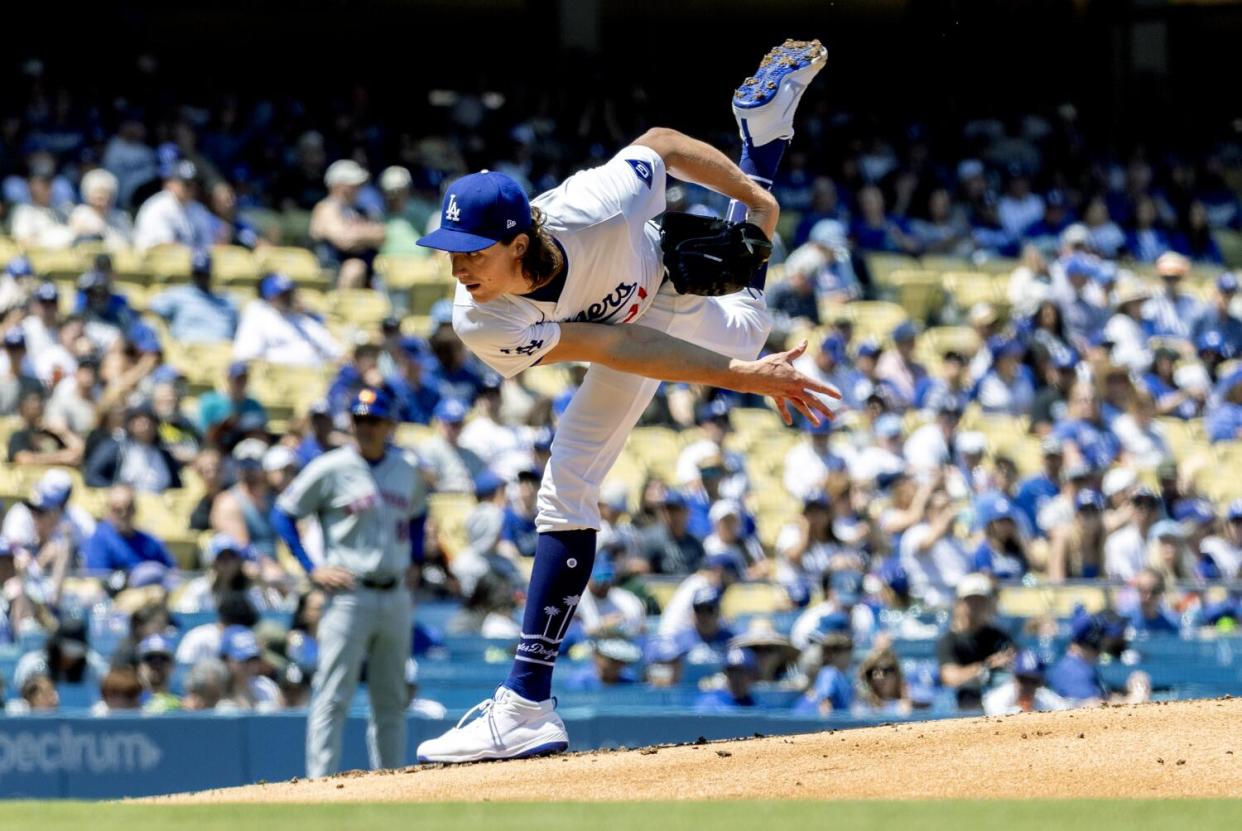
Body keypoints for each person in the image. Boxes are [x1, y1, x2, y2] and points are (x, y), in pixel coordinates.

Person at [413, 42, 833, 763]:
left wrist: (757, 196)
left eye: (472, 251)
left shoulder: (593, 206)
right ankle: (525, 704)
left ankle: (760, 139)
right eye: (450, 249)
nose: (458, 266)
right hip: (628, 326)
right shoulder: (482, 317)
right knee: (568, 478)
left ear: (518, 242)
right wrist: (744, 376)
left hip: (659, 271)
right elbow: (613, 349)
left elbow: (663, 145)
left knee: (750, 321)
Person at [271, 387, 425, 778]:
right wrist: (311, 567)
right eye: (359, 419)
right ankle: (319, 785)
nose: (365, 427)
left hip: (394, 594)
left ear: (389, 424)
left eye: (373, 420)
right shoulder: (330, 466)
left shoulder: (406, 468)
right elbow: (283, 514)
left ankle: (391, 786)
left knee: (391, 699)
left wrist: (417, 559)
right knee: (332, 695)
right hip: (348, 593)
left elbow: (419, 514)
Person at [935, 573, 1014, 711]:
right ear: (959, 603)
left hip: (1000, 698)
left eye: (980, 600)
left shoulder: (998, 637)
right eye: (971, 600)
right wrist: (986, 666)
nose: (975, 606)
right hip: (964, 702)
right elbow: (950, 677)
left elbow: (1014, 662)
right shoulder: (949, 641)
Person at [233, 272, 341, 367]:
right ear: (268, 297)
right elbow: (247, 356)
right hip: (277, 379)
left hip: (314, 378)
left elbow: (335, 352)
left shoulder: (303, 319)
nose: (287, 298)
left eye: (289, 293)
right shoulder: (258, 313)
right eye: (282, 295)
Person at [310, 160, 386, 287]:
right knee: (354, 268)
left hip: (369, 272)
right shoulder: (326, 208)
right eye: (353, 184)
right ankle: (343, 305)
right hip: (333, 273)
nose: (359, 188)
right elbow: (344, 240)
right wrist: (366, 234)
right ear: (337, 185)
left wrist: (356, 233)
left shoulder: (362, 209)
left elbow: (382, 234)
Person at [84, 404, 183, 492]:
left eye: (149, 422)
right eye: (140, 422)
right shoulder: (116, 448)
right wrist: (115, 492)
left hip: (159, 506)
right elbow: (92, 475)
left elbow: (176, 485)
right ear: (130, 424)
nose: (145, 426)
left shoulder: (164, 454)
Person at [148, 250, 240, 343]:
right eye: (198, 274)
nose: (201, 278)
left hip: (221, 351)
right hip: (188, 352)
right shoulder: (179, 294)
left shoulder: (226, 300)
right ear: (192, 274)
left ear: (211, 274)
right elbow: (150, 309)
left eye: (204, 274)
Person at [82, 485, 174, 573]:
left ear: (135, 509)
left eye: (128, 508)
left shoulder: (149, 541)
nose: (123, 514)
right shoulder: (99, 540)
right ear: (107, 510)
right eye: (117, 509)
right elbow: (100, 579)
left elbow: (172, 571)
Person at [132, 157, 213, 251]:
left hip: (183, 261)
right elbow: (166, 248)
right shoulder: (158, 207)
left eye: (195, 184)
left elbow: (208, 246)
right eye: (187, 184)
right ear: (170, 183)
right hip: (153, 262)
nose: (192, 188)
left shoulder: (197, 209)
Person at [197, 361, 268, 449]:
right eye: (237, 379)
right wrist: (223, 426)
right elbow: (203, 434)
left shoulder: (255, 406)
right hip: (217, 449)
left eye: (243, 379)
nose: (240, 383)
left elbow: (263, 435)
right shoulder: (209, 402)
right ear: (227, 379)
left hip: (246, 450)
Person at [573, 556, 646, 640]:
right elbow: (573, 635)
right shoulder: (576, 598)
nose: (603, 586)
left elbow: (641, 628)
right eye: (599, 583)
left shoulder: (624, 599)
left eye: (607, 582)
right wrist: (603, 625)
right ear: (589, 578)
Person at [981, 650, 1068, 716]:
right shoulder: (997, 698)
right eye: (1023, 680)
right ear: (1014, 678)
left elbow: (1067, 710)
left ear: (1040, 682)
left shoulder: (1045, 698)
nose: (1028, 685)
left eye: (1033, 681)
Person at [69, 167, 133, 249]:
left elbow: (129, 242)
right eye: (98, 193)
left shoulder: (120, 217)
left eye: (106, 193)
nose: (102, 197)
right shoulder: (80, 215)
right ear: (88, 195)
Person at [694, 646, 759, 711]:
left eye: (741, 671)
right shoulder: (709, 704)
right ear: (725, 673)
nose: (736, 676)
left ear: (752, 674)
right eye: (731, 671)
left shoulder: (759, 706)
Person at [1125, 567, 1181, 634]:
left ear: (1162, 593)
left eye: (1154, 591)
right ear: (1137, 590)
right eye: (1143, 591)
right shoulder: (1124, 621)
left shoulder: (1173, 624)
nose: (1148, 597)